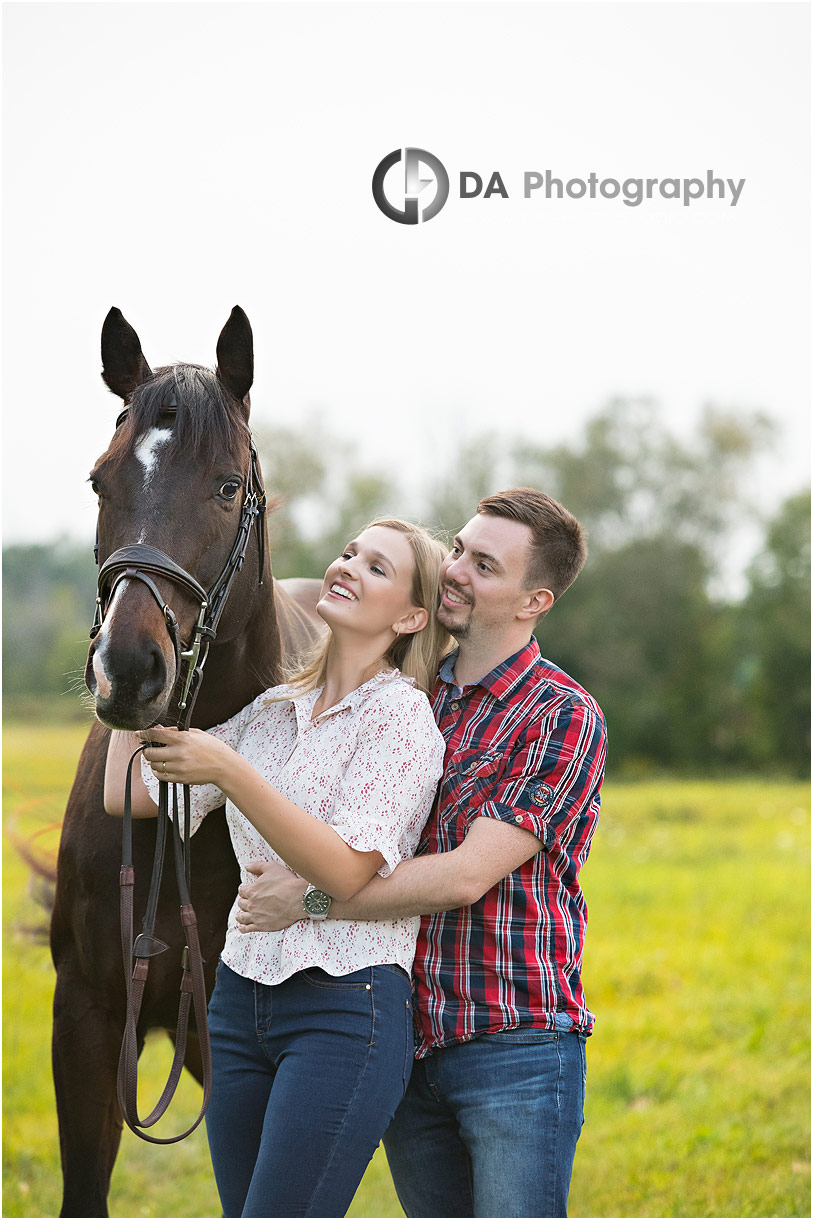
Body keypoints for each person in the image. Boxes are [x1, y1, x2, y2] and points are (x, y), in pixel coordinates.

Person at [236, 488, 607, 1219]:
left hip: (514, 1046)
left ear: (533, 601)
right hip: (408, 1041)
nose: (456, 572)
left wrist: (309, 900)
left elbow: (468, 874)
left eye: (484, 566)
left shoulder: (559, 715)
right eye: (459, 551)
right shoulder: (408, 701)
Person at [103, 518, 453, 1219]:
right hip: (238, 1005)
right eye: (349, 552)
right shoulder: (270, 712)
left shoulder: (400, 719)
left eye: (376, 567)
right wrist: (128, 676)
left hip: (345, 1010)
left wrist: (230, 771)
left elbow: (345, 872)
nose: (347, 565)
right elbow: (127, 793)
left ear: (412, 616)